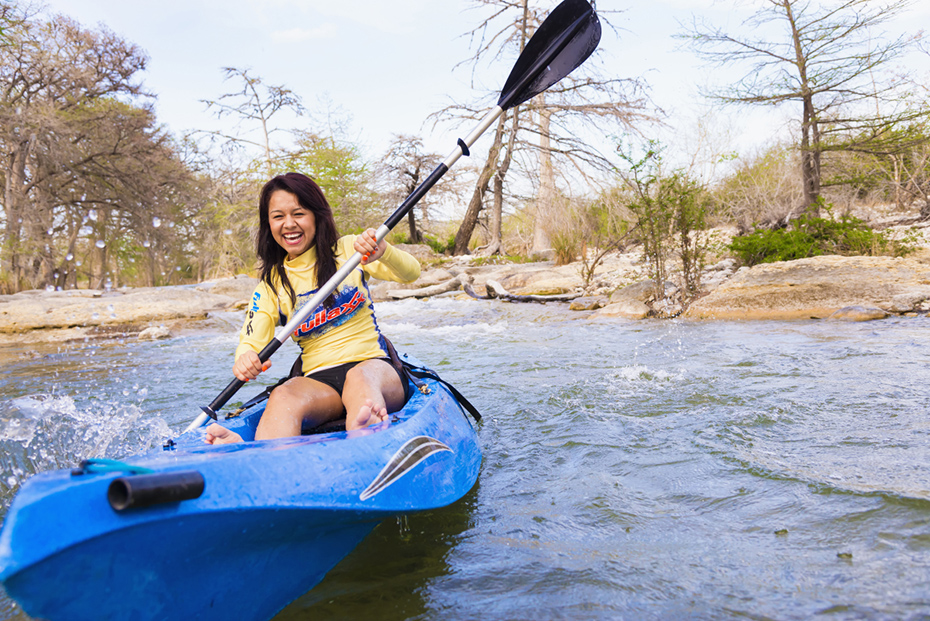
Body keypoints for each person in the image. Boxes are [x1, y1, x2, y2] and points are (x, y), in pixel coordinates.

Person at [205, 172, 421, 445]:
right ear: (268, 224)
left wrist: (384, 252)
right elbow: (251, 340)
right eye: (278, 216)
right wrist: (246, 357)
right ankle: (256, 453)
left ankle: (365, 432)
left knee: (359, 379)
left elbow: (411, 274)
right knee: (283, 395)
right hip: (320, 384)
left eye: (299, 213)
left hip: (374, 367)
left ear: (317, 216)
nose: (289, 224)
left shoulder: (348, 251)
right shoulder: (271, 285)